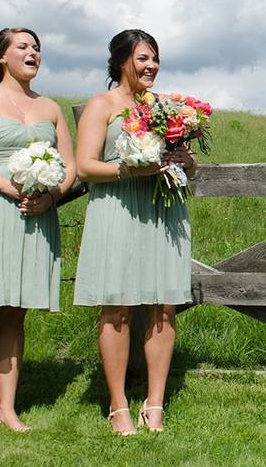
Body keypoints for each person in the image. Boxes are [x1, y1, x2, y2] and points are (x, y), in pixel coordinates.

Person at [73, 29, 195, 435]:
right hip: (117, 209)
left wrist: (182, 158)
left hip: (162, 211)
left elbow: (187, 165)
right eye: (143, 58)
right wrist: (132, 168)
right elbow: (86, 167)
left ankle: (155, 404)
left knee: (163, 306)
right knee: (117, 306)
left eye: (155, 58)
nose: (151, 66)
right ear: (122, 61)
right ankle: (118, 405)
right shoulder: (101, 105)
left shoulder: (167, 107)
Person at [0, 28, 76, 444]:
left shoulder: (50, 107)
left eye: (37, 48)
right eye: (23, 47)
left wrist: (51, 197)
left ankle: (6, 409)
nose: (33, 53)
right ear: (2, 57)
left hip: (35, 217)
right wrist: (2, 184)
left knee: (15, 311)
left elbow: (69, 165)